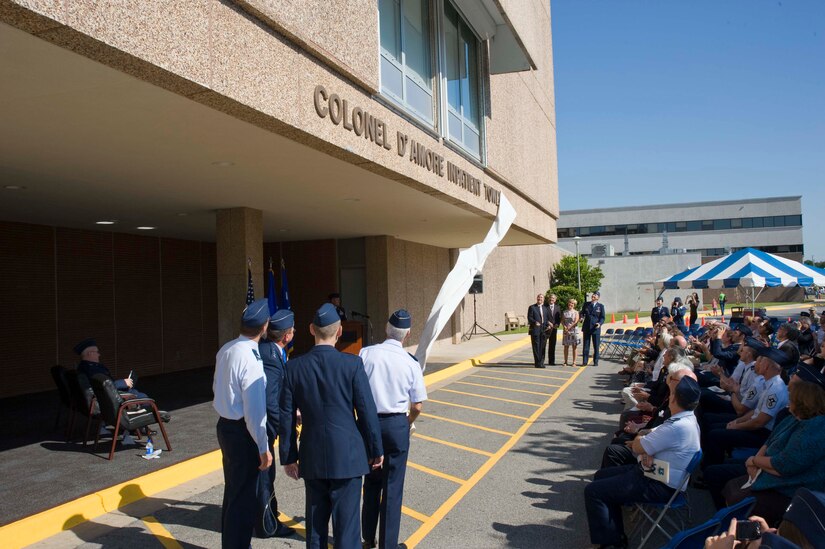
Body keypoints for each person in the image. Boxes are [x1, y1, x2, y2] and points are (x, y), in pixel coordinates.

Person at [279, 302, 384, 549]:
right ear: (339, 332)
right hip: (348, 455)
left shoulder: (293, 367)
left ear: (311, 329)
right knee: (347, 530)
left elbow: (286, 416)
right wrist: (376, 449)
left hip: (313, 454)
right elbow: (367, 412)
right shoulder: (352, 365)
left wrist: (288, 456)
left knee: (315, 528)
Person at [584, 376, 702, 549]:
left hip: (658, 484)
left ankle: (612, 544)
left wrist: (642, 440)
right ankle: (614, 532)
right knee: (601, 476)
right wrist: (646, 446)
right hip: (655, 474)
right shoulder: (687, 419)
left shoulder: (677, 426)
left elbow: (639, 445)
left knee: (594, 491)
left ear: (674, 399)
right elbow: (652, 434)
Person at [359, 309, 427, 549]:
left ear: (387, 329)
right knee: (393, 486)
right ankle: (388, 544)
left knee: (371, 483)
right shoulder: (410, 362)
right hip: (396, 424)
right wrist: (407, 422)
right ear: (407, 335)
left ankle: (368, 538)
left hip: (368, 424)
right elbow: (417, 405)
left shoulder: (365, 353)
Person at [212, 298, 273, 549]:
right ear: (264, 326)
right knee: (244, 498)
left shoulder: (226, 348)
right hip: (242, 431)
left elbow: (216, 387)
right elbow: (255, 411)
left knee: (233, 492)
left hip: (225, 426)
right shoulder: (251, 359)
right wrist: (263, 447)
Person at [254, 309, 297, 539]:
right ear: (286, 336)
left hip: (259, 424)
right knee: (264, 477)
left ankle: (266, 517)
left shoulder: (271, 350)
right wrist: (286, 424)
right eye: (293, 330)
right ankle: (266, 524)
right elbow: (271, 401)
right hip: (264, 427)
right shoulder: (271, 357)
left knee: (262, 477)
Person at [74, 338, 147, 399]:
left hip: (110, 395)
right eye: (97, 352)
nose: (99, 355)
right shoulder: (91, 369)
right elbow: (102, 386)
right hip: (111, 399)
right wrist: (123, 383)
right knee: (144, 398)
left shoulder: (84, 366)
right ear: (90, 353)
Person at [580, 291, 605, 366]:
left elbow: (602, 317)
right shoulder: (586, 304)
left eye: (595, 295)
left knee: (596, 346)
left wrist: (599, 323)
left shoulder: (600, 306)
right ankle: (585, 361)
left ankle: (596, 361)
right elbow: (582, 313)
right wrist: (581, 317)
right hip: (587, 327)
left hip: (595, 328)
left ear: (598, 297)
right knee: (586, 346)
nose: (593, 296)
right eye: (593, 295)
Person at [527, 293, 550, 369]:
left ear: (543, 299)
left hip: (543, 330)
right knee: (536, 347)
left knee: (543, 346)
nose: (540, 299)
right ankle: (537, 363)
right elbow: (529, 318)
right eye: (539, 297)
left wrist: (548, 325)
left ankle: (541, 362)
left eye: (541, 297)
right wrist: (534, 322)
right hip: (535, 330)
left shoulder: (545, 308)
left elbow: (546, 319)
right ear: (537, 298)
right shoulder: (532, 307)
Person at [562, 298, 581, 367]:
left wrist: (569, 328)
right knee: (566, 346)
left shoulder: (576, 312)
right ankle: (565, 361)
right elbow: (562, 321)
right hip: (566, 331)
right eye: (570, 303)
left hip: (573, 330)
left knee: (574, 346)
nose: (571, 304)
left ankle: (574, 362)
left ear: (574, 305)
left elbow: (576, 321)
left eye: (572, 303)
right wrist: (564, 327)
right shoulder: (565, 312)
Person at [546, 293, 562, 366]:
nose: (551, 299)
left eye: (553, 298)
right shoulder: (544, 307)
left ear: (555, 300)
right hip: (546, 328)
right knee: (543, 345)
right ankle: (541, 361)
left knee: (552, 345)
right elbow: (543, 317)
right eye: (550, 298)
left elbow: (559, 318)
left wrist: (557, 324)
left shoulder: (557, 307)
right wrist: (548, 323)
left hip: (554, 329)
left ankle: (551, 361)